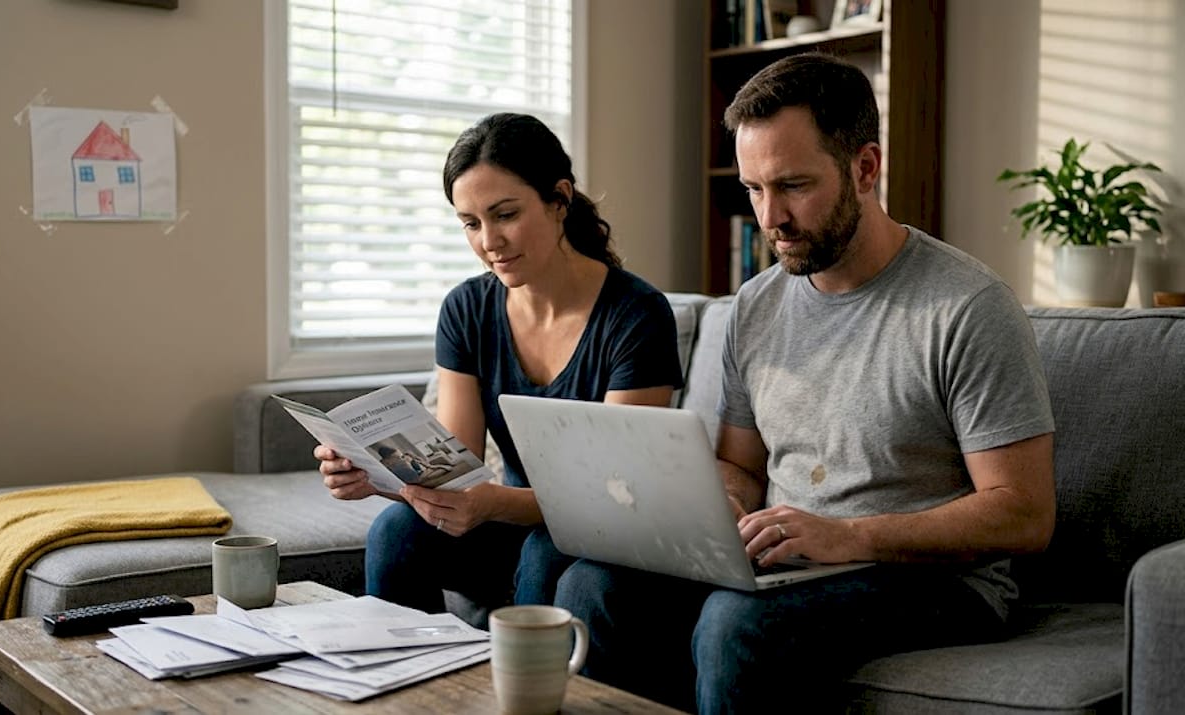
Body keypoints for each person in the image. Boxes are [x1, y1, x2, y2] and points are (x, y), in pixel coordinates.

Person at [554, 53, 1056, 713]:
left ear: (866, 168)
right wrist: (720, 511)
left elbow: (1024, 511)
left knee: (736, 624)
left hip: (933, 578)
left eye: (793, 185)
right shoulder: (754, 307)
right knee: (590, 586)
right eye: (754, 189)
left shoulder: (966, 306)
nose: (771, 217)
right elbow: (740, 464)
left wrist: (849, 535)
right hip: (790, 561)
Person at [316, 112, 685, 614]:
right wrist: (375, 476)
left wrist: (492, 502)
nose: (488, 242)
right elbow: (454, 468)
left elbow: (616, 495)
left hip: (598, 534)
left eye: (505, 214)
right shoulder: (466, 309)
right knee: (396, 531)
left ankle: (523, 690)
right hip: (510, 525)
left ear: (559, 199)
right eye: (471, 223)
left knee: (545, 549)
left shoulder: (637, 315)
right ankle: (404, 685)